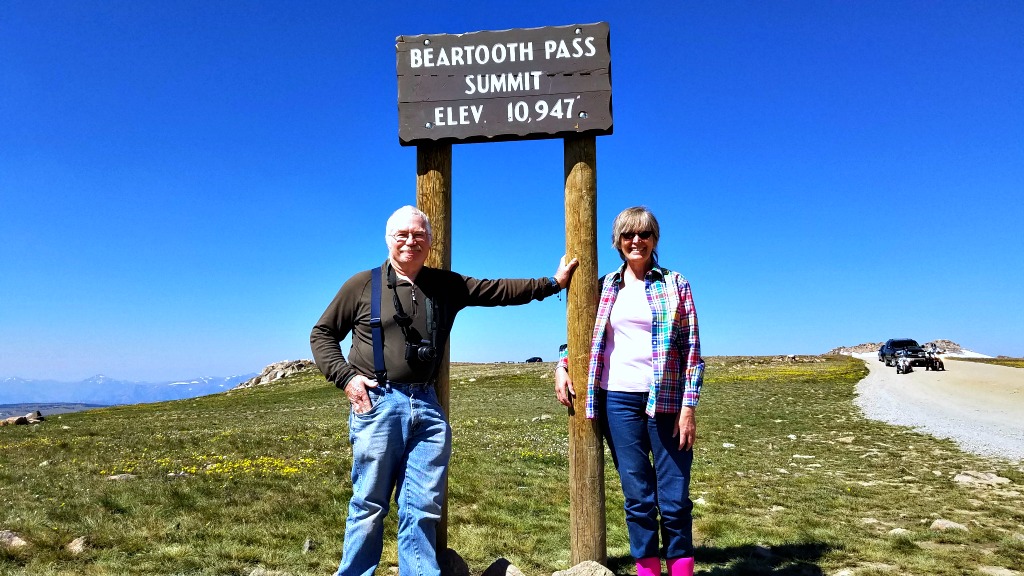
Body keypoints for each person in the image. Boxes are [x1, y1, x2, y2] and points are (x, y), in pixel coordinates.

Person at [311, 205, 578, 576]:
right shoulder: (361, 285)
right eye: (402, 235)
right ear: (388, 239)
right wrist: (346, 378)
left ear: (430, 242)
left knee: (421, 508)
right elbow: (322, 334)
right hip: (378, 404)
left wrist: (552, 283)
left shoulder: (445, 285)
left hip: (427, 406)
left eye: (419, 235)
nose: (410, 241)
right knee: (369, 504)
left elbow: (496, 290)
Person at [555, 206, 704, 576]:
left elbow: (692, 349)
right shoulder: (605, 285)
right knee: (638, 497)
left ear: (655, 239)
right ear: (617, 242)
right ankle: (648, 571)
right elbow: (580, 334)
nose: (636, 241)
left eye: (644, 234)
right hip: (617, 400)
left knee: (673, 498)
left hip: (667, 400)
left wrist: (689, 406)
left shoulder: (675, 283)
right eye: (627, 235)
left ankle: (681, 570)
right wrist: (562, 365)